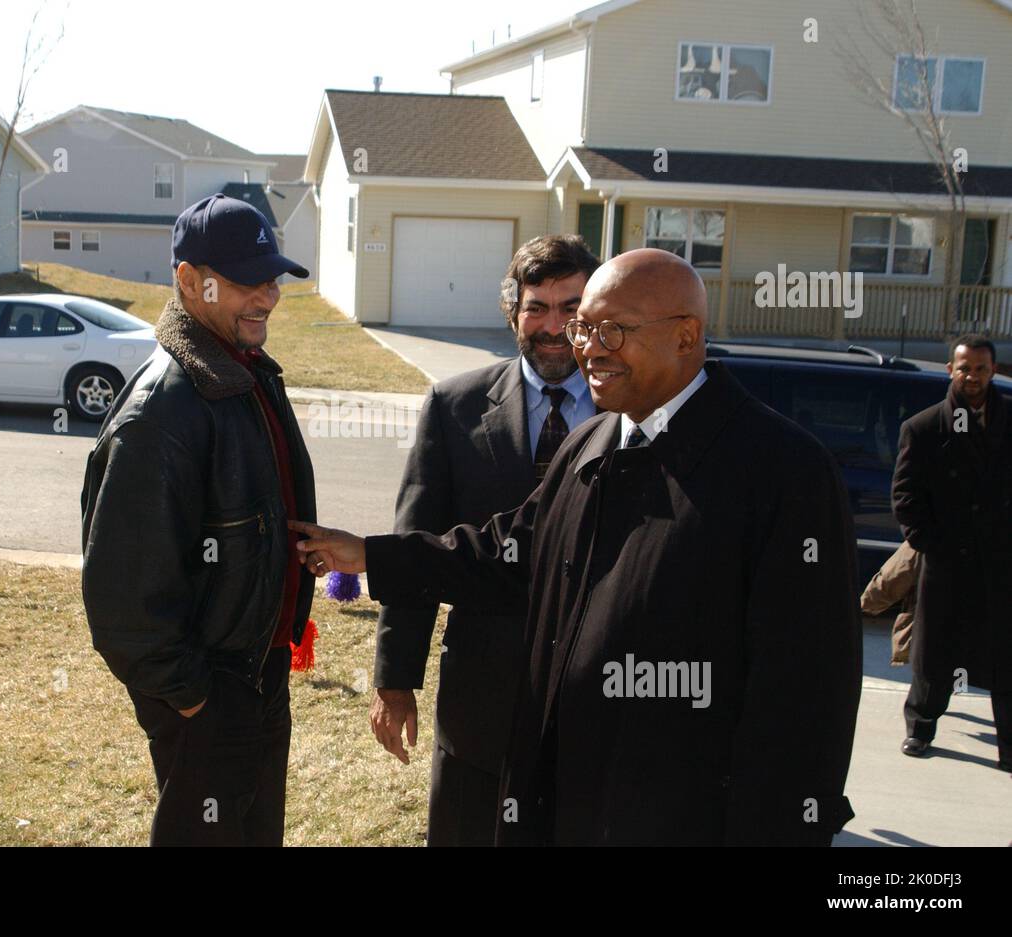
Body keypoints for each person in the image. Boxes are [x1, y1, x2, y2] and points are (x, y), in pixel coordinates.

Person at [290, 248, 862, 845]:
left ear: (686, 335)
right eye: (585, 328)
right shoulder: (593, 443)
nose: (587, 346)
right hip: (568, 798)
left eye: (611, 330)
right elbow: (507, 555)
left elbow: (807, 693)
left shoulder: (783, 472)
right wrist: (368, 555)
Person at [80, 193, 317, 844]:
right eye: (246, 281)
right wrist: (197, 700)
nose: (266, 296)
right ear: (189, 280)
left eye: (272, 279)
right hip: (211, 691)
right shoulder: (162, 410)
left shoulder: (240, 371)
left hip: (255, 674)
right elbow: (123, 604)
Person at [373, 235, 600, 846]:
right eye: (537, 307)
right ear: (512, 313)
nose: (554, 327)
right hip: (481, 699)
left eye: (572, 308)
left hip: (598, 698)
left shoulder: (626, 409)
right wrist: (396, 681)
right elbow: (416, 542)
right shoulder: (455, 406)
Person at [892, 335, 1012, 771]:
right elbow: (905, 496)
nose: (972, 376)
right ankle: (920, 729)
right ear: (950, 370)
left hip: (1001, 565)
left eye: (980, 369)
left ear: (993, 371)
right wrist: (931, 543)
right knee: (934, 653)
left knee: (1005, 654)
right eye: (964, 368)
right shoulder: (924, 429)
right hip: (947, 562)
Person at [860, 541, 919, 666]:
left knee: (931, 680)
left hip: (934, 628)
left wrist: (865, 603)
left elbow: (895, 575)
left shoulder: (930, 530)